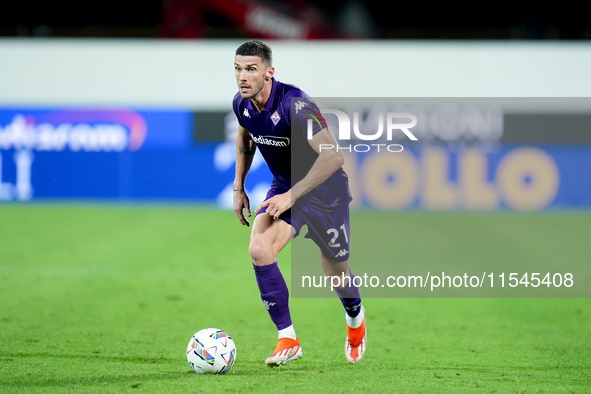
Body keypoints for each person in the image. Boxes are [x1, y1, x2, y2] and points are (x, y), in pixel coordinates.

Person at [231, 39, 366, 367]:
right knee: (260, 248)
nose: (243, 77)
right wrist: (239, 186)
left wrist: (293, 195)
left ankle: (354, 318)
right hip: (286, 187)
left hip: (325, 192)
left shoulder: (295, 104)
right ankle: (287, 338)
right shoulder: (242, 104)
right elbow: (245, 135)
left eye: (251, 69)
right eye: (238, 69)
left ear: (269, 72)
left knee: (335, 270)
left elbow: (334, 156)